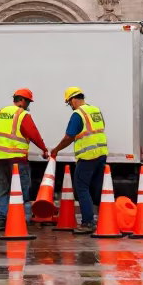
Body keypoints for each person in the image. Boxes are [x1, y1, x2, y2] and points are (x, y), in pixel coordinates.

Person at [50, 87, 107, 234]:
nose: (70, 106)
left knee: (82, 188)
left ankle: (88, 223)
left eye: (69, 103)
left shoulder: (77, 114)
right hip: (101, 155)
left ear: (73, 99)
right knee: (97, 189)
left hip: (87, 157)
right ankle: (107, 220)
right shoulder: (95, 110)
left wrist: (56, 150)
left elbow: (69, 137)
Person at [0, 88, 48, 231]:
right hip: (17, 159)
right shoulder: (22, 114)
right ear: (22, 100)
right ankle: (22, 218)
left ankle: (1, 220)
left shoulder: (0, 113)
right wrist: (44, 149)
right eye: (28, 101)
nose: (28, 104)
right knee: (22, 189)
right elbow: (34, 134)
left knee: (3, 188)